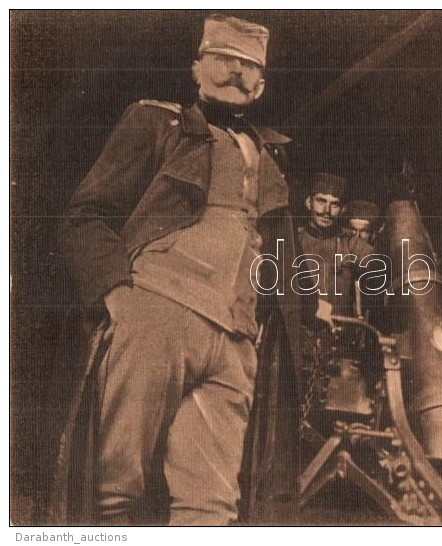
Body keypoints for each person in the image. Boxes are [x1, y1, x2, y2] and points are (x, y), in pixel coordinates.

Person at [56, 14, 302, 525]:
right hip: (157, 313)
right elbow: (85, 217)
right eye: (223, 60)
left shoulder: (273, 159)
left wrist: (258, 332)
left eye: (248, 66)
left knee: (211, 506)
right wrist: (120, 296)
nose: (235, 72)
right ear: (196, 68)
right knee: (112, 490)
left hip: (233, 337)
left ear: (261, 86)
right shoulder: (155, 122)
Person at [297, 173, 375, 321]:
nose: (327, 210)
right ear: (309, 202)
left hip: (339, 336)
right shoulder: (294, 241)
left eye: (334, 204)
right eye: (321, 201)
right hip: (298, 334)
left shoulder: (351, 245)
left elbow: (381, 264)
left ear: (343, 209)